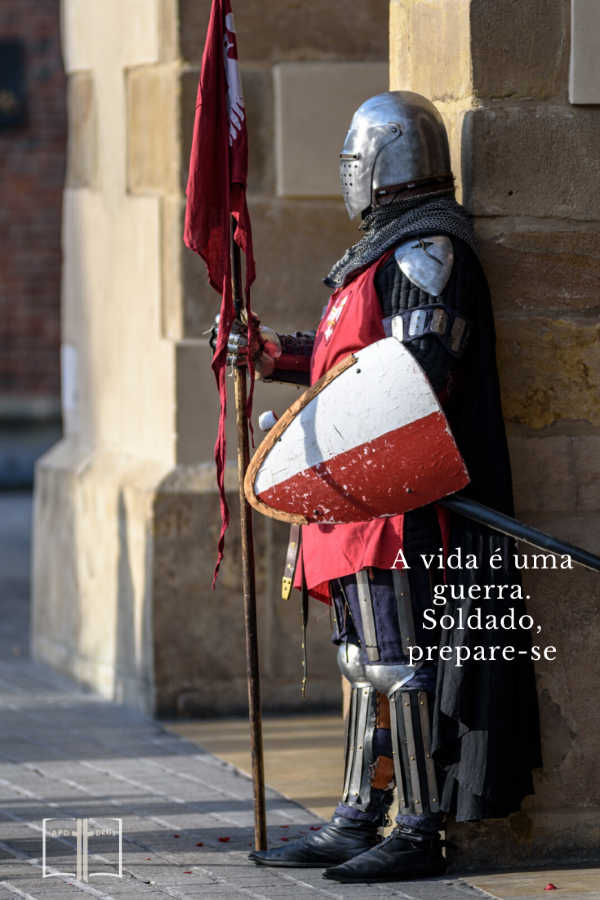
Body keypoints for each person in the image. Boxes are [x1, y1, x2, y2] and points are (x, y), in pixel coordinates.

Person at [222, 91, 542, 883]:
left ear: (385, 165)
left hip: (399, 502)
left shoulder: (426, 251)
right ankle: (358, 814)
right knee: (364, 663)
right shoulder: (380, 251)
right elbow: (350, 364)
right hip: (355, 501)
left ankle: (420, 826)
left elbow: (411, 382)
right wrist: (275, 358)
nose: (346, 175)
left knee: (400, 665)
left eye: (354, 159)